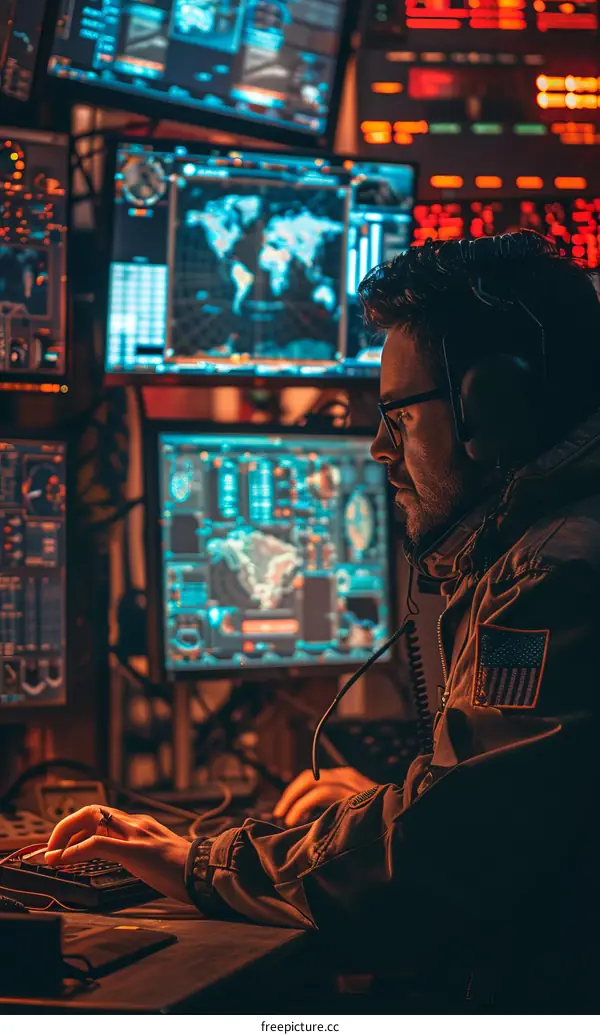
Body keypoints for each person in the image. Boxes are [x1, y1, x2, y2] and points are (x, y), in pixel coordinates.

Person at [45, 232, 599, 1006]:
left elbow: (441, 861)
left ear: (492, 408)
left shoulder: (555, 577)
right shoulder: (550, 543)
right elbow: (505, 812)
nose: (378, 447)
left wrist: (199, 862)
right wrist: (390, 803)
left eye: (398, 415)